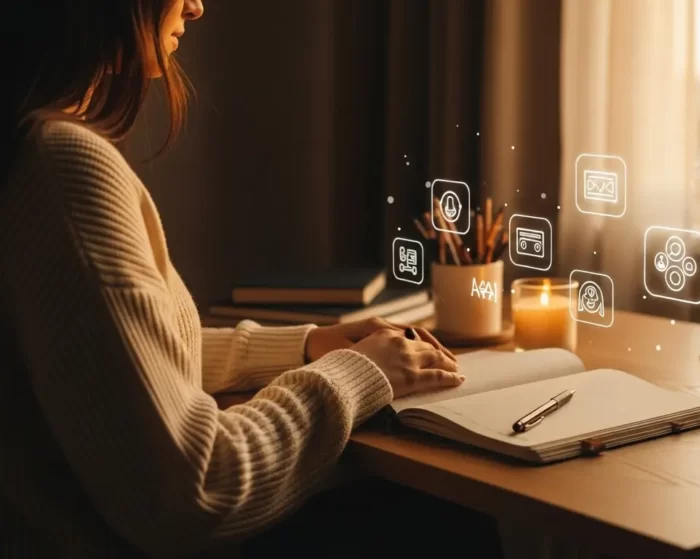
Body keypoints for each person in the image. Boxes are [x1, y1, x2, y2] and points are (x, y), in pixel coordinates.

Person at [0, 1, 477, 555]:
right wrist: (359, 373)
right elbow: (198, 488)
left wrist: (305, 347)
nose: (197, 6)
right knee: (444, 520)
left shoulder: (29, 145)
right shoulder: (64, 166)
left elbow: (116, 366)